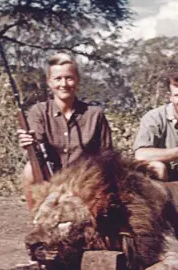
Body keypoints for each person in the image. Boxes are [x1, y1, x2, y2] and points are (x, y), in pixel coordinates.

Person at [17, 52, 113, 211]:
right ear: (49, 82)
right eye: (57, 79)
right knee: (29, 170)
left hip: (85, 181)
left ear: (77, 80)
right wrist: (28, 144)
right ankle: (37, 219)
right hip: (51, 179)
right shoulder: (38, 112)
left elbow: (107, 155)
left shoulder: (95, 114)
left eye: (69, 78)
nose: (64, 84)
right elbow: (35, 156)